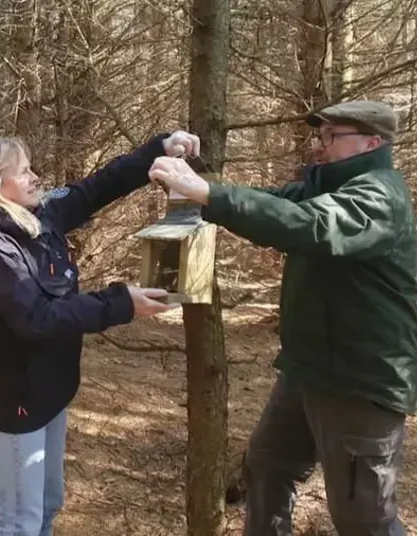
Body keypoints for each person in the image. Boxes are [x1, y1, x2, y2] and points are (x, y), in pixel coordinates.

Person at [148, 100, 417, 536]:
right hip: (309, 369)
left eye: (332, 136)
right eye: (320, 136)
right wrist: (195, 185)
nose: (319, 146)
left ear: (372, 142)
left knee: (365, 519)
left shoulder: (379, 195)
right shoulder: (328, 186)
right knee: (268, 467)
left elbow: (309, 225)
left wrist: (207, 194)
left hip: (359, 380)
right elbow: (270, 205)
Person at [0, 130, 199, 535]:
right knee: (19, 522)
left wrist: (158, 151)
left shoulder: (39, 217)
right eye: (23, 171)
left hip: (52, 390)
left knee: (48, 505)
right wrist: (121, 304)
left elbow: (94, 189)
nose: (35, 177)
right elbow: (37, 319)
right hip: (19, 400)